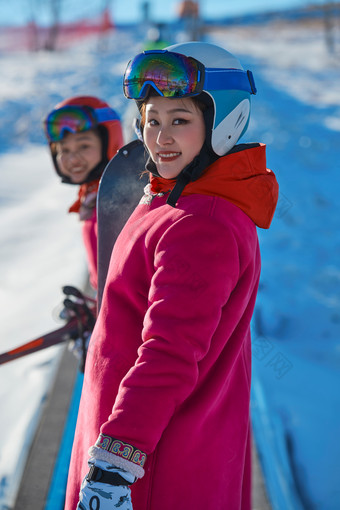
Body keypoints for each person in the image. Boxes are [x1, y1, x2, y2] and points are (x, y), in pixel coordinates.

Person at [65, 42, 279, 509]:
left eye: (179, 120)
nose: (159, 136)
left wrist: (114, 467)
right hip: (149, 444)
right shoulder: (172, 202)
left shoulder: (201, 226)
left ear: (224, 123)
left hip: (152, 466)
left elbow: (169, 354)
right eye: (151, 119)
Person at [43, 95, 124, 291]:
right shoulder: (93, 197)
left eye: (84, 146)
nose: (72, 158)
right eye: (64, 149)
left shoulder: (119, 202)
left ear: (109, 142)